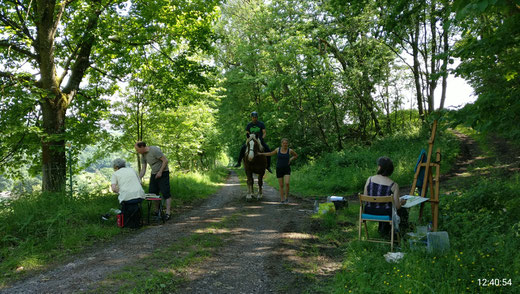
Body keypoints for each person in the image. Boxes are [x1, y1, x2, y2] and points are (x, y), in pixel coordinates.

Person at [363, 156, 408, 237]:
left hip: (368, 211)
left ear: (380, 167)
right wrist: (401, 202)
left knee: (386, 208)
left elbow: (365, 197)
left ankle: (383, 232)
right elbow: (397, 207)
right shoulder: (394, 185)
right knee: (402, 211)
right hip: (385, 213)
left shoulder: (369, 179)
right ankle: (397, 235)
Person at [135, 141, 172, 220]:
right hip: (154, 174)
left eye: (137, 149)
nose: (137, 151)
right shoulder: (143, 155)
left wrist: (160, 172)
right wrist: (138, 179)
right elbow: (143, 169)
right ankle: (157, 210)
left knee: (166, 193)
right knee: (153, 193)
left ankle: (168, 213)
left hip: (163, 172)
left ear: (142, 147)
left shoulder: (154, 150)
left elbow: (165, 160)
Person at [259, 138, 298, 203]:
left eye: (286, 143)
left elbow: (296, 155)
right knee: (281, 185)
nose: (285, 144)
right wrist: (261, 154)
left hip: (287, 169)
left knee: (287, 183)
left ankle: (286, 198)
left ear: (287, 144)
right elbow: (270, 153)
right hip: (279, 169)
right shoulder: (278, 149)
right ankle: (282, 199)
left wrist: (290, 159)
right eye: (284, 143)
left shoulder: (289, 150)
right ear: (281, 144)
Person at [111, 158, 145, 228]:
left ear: (116, 167)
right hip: (140, 196)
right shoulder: (132, 170)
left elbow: (113, 189)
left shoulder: (115, 174)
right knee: (132, 203)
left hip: (127, 198)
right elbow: (140, 183)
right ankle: (136, 221)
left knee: (126, 202)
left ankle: (127, 223)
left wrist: (119, 192)